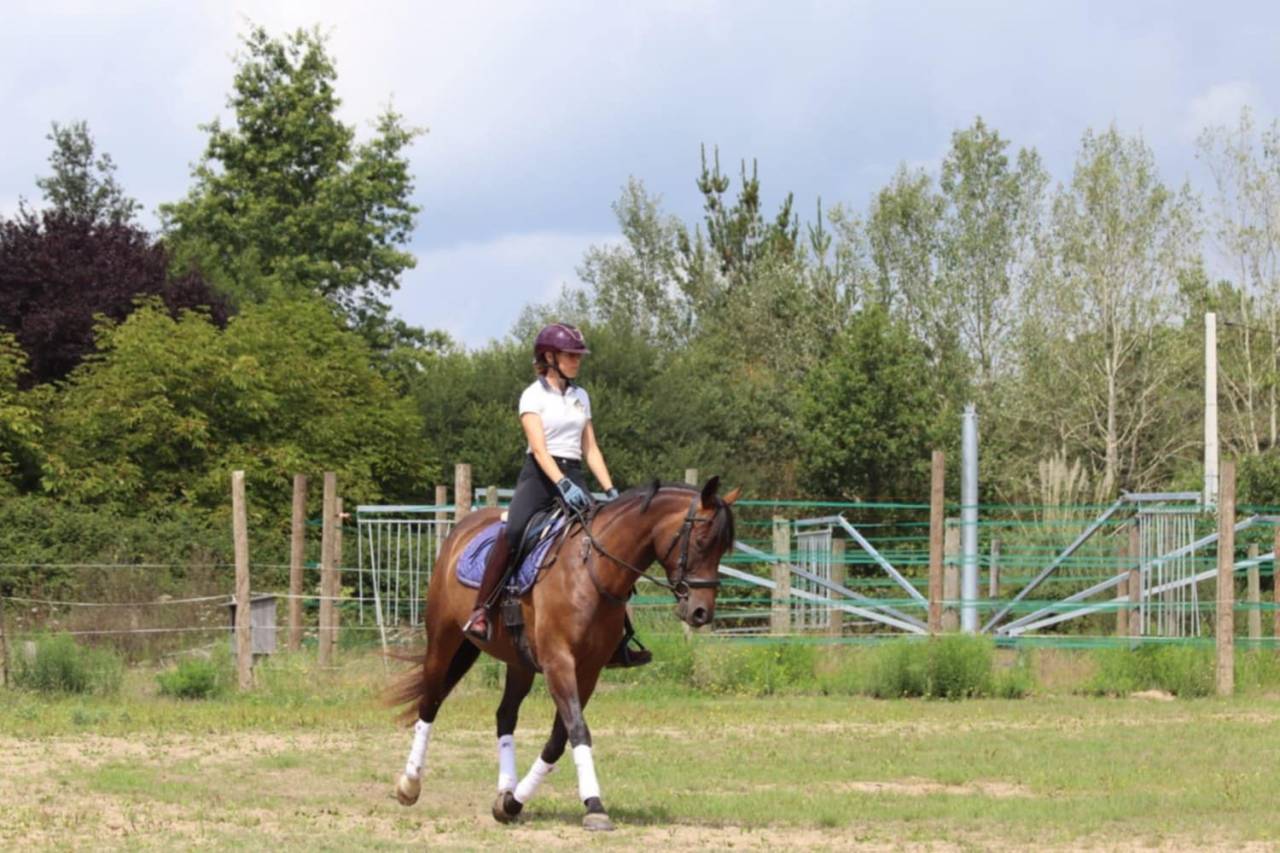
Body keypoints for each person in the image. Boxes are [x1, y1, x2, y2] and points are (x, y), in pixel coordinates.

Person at [463, 322, 650, 667]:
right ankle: (482, 611)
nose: (577, 361)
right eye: (570, 355)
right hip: (539, 477)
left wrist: (610, 489)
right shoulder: (532, 396)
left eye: (578, 355)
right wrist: (561, 483)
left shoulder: (581, 397)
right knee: (514, 530)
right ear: (549, 357)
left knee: (604, 543)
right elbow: (539, 448)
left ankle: (618, 637)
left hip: (574, 473)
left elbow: (590, 448)